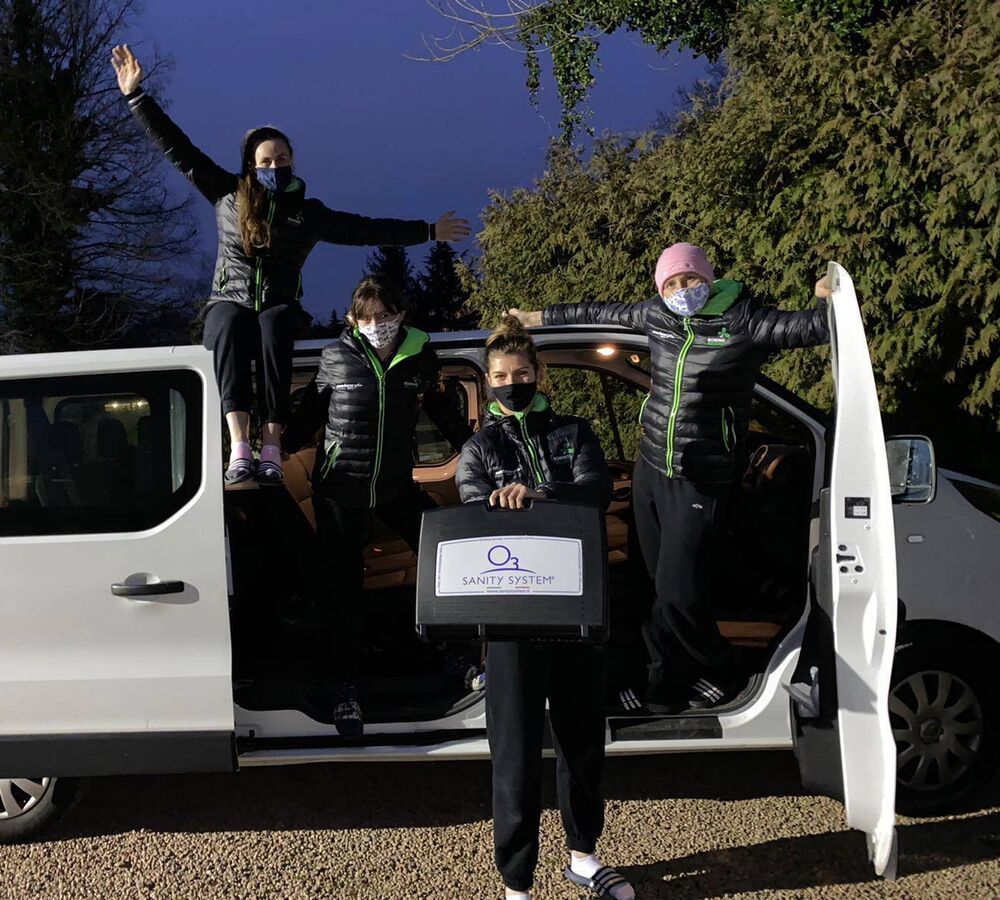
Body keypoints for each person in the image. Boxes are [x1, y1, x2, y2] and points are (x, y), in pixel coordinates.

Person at [111, 44, 470, 486]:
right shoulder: (227, 194)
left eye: (282, 159)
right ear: (251, 165)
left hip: (279, 305)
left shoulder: (307, 213)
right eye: (265, 161)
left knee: (273, 326)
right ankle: (239, 446)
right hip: (229, 298)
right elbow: (178, 149)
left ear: (292, 162)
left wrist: (428, 231)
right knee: (226, 325)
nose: (274, 166)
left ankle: (272, 445)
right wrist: (136, 97)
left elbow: (363, 228)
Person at [509, 243, 832, 713]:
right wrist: (536, 319)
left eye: (690, 280)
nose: (682, 290)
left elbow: (812, 329)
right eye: (672, 283)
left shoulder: (743, 321)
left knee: (679, 593)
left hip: (701, 479)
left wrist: (828, 300)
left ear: (708, 280)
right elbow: (598, 311)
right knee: (652, 587)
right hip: (651, 469)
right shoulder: (658, 316)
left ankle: (720, 673)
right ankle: (666, 679)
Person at [456, 319, 634, 900]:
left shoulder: (573, 432)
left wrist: (537, 496)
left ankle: (583, 855)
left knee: (582, 741)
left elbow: (596, 489)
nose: (513, 384)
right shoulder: (479, 448)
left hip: (577, 608)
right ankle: (516, 883)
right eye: (501, 377)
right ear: (489, 382)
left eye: (522, 373)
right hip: (511, 618)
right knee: (515, 752)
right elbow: (471, 509)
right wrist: (497, 505)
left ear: (539, 373)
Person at [283, 276, 471, 736]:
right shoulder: (336, 356)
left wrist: (480, 452)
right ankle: (344, 689)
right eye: (366, 317)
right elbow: (309, 414)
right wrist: (272, 449)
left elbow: (444, 414)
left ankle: (458, 655)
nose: (376, 325)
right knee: (342, 591)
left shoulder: (420, 358)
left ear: (400, 315)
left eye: (385, 316)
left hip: (393, 486)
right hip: (340, 490)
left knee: (445, 554)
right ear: (353, 319)